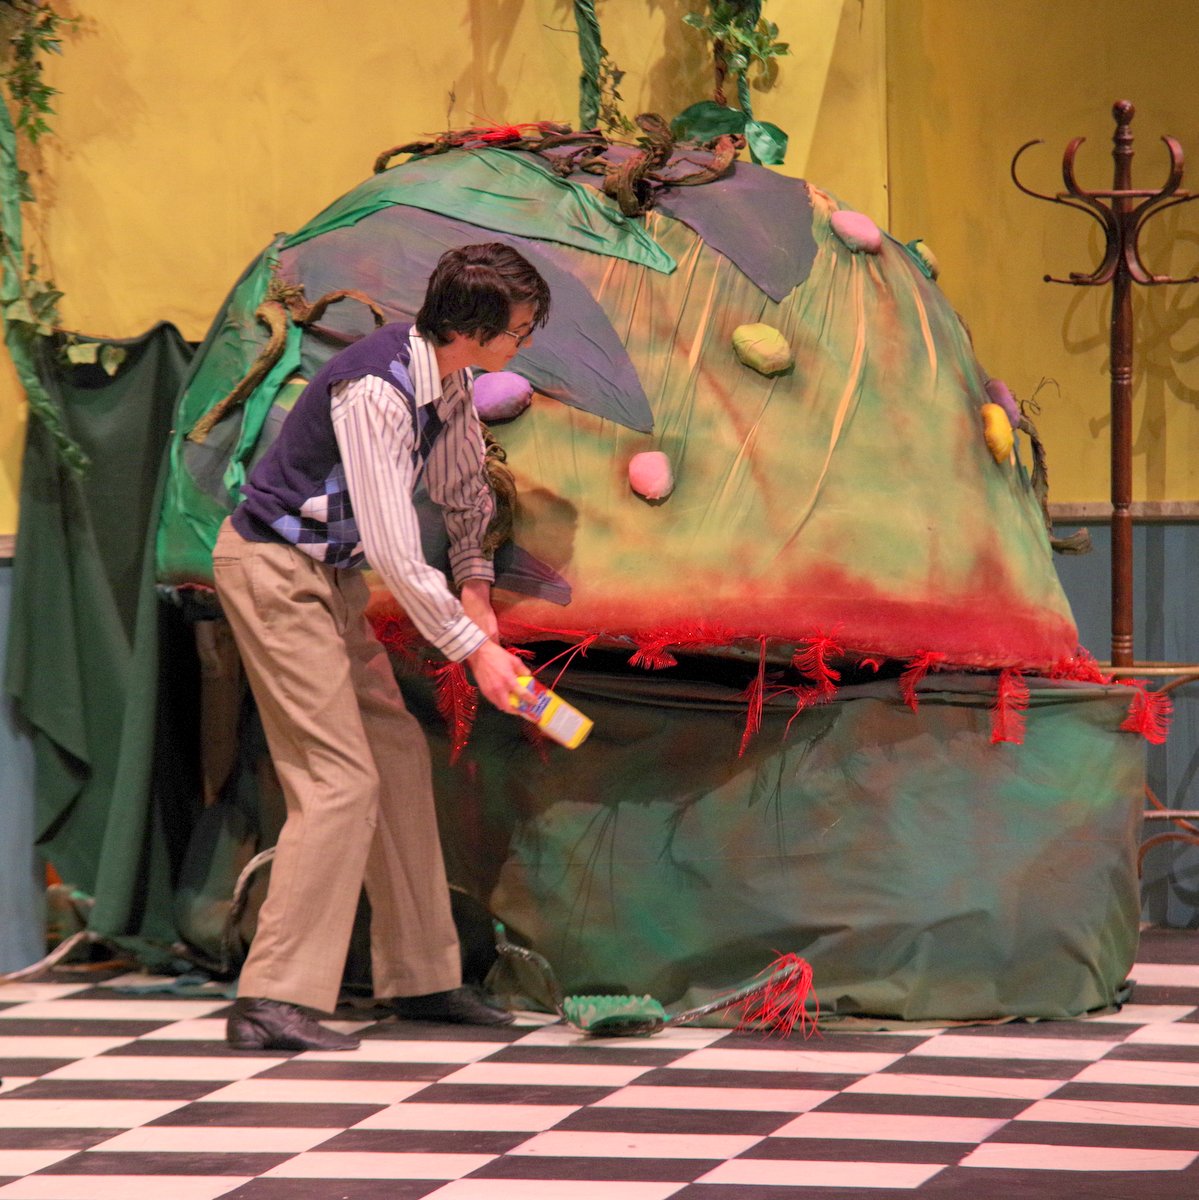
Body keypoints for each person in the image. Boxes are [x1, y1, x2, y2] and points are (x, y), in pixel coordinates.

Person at [212, 242, 550, 1051]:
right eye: (518, 330)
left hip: (327, 578)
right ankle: (271, 997)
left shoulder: (448, 378)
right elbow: (397, 551)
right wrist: (475, 651)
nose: (524, 343)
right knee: (337, 779)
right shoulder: (376, 392)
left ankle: (421, 977)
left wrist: (474, 583)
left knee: (394, 757)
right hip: (272, 571)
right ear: (471, 329)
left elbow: (462, 487)